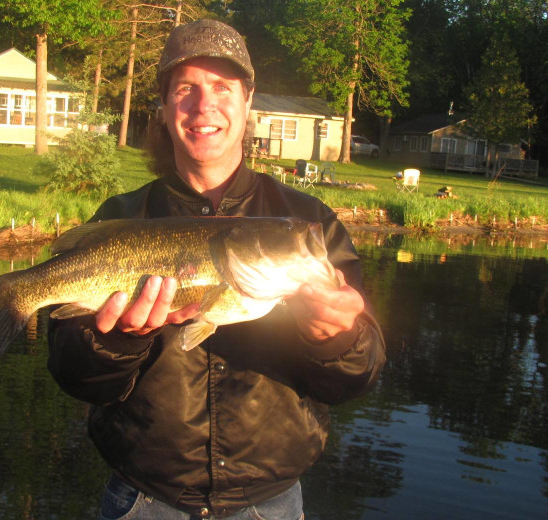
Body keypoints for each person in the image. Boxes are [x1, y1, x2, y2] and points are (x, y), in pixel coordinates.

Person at [47, 19, 386, 520]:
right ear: (163, 109)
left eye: (223, 88)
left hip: (269, 504)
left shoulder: (309, 223)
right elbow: (74, 375)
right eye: (186, 89)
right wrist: (117, 341)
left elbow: (356, 378)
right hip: (143, 500)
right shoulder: (121, 220)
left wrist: (336, 341)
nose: (204, 106)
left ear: (248, 101)